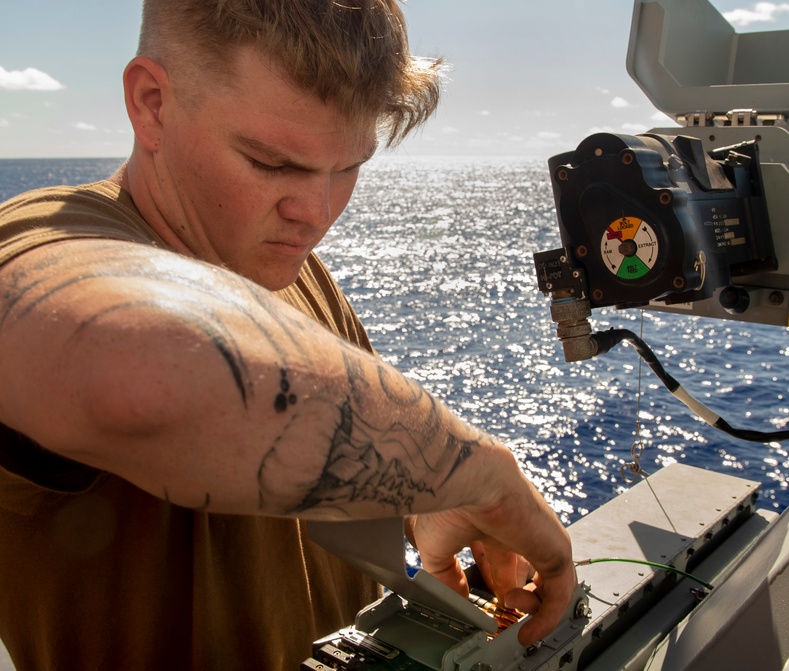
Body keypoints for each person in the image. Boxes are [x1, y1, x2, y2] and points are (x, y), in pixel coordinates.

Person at [0, 0, 575, 668]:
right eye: (272, 164)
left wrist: (428, 505)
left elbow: (340, 437)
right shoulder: (40, 240)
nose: (317, 212)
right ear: (152, 102)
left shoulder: (291, 269)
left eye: (349, 166)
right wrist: (478, 478)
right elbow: (134, 376)